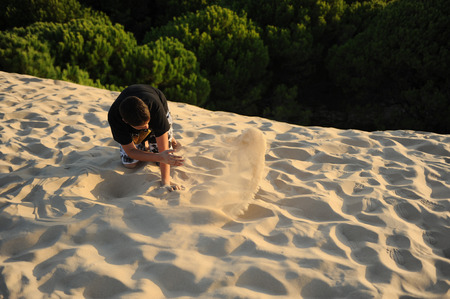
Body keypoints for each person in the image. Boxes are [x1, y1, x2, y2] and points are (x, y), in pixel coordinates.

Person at [108, 84, 184, 191]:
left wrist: (165, 181)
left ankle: (167, 134)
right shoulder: (115, 118)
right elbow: (130, 150)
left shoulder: (154, 107)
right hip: (131, 121)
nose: (147, 127)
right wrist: (159, 156)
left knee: (159, 161)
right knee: (130, 164)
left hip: (156, 104)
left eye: (148, 123)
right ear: (125, 121)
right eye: (142, 126)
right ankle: (156, 135)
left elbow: (164, 151)